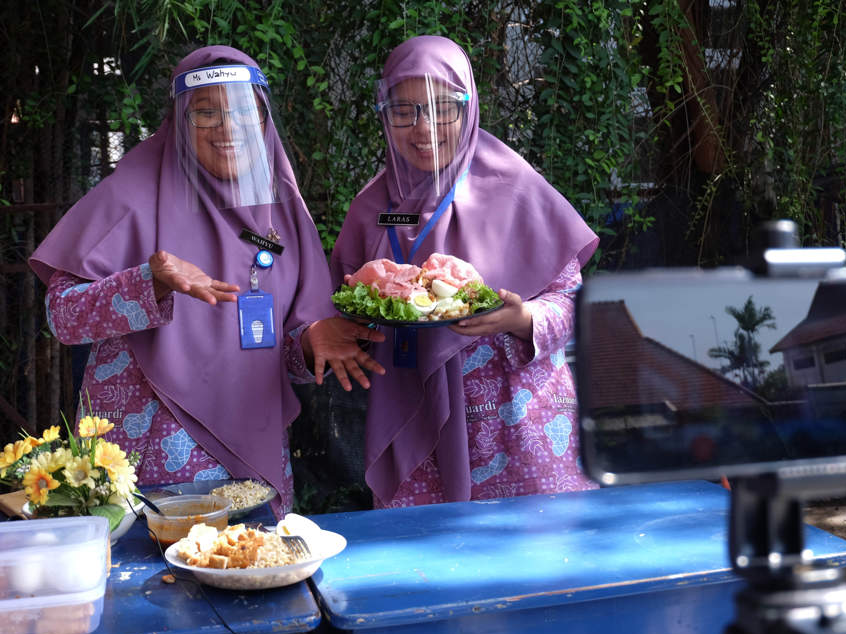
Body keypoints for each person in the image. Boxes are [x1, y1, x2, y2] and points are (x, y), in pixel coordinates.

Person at [29, 45, 384, 517]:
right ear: (178, 121)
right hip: (146, 452)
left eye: (244, 112)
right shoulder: (132, 196)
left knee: (250, 570)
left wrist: (312, 340)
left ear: (263, 120)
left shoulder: (281, 211)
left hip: (252, 446)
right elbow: (64, 317)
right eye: (205, 114)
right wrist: (148, 281)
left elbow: (291, 343)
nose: (228, 129)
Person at [330, 35, 600, 508]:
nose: (423, 128)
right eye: (404, 110)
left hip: (516, 425)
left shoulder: (516, 188)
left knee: (538, 567)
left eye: (442, 109)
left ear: (469, 108)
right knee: (427, 565)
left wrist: (522, 319)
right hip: (416, 423)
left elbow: (574, 303)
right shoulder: (371, 207)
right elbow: (344, 308)